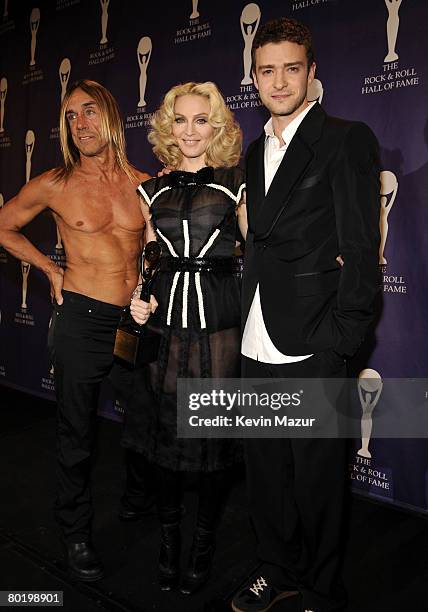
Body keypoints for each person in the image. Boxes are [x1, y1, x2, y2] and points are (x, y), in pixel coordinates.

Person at [232, 18, 380, 612]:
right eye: (267, 70)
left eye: (292, 68)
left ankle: (321, 585)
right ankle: (277, 566)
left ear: (312, 73)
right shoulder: (251, 149)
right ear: (255, 78)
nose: (279, 80)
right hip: (257, 333)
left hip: (316, 335)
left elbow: (362, 246)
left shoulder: (345, 139)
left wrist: (344, 338)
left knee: (318, 478)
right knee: (266, 471)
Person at [0, 79, 153, 582]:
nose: (80, 124)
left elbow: (158, 249)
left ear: (110, 115)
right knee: (76, 433)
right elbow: (4, 225)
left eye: (89, 112)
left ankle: (136, 497)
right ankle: (76, 532)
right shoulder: (55, 184)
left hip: (131, 321)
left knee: (146, 421)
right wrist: (49, 267)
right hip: (82, 318)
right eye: (70, 116)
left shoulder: (143, 182)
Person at [124, 81, 247, 594]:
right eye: (181, 119)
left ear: (216, 127)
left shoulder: (235, 184)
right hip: (165, 319)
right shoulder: (151, 190)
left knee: (213, 438)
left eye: (202, 120)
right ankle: (170, 540)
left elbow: (258, 251)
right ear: (167, 127)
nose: (191, 130)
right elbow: (149, 257)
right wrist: (138, 294)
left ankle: (202, 541)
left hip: (219, 316)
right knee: (167, 437)